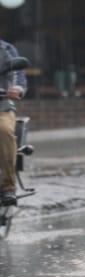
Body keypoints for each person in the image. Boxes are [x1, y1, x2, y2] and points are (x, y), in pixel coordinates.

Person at [0, 37, 28, 207]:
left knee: (3, 130)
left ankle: (7, 186)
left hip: (1, 107)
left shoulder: (6, 49)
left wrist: (17, 89)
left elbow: (19, 77)